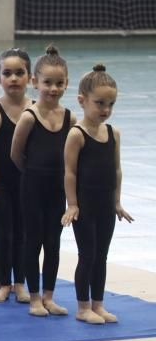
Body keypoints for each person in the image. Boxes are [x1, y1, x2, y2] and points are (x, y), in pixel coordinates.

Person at [62, 64, 132, 324]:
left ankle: (98, 304)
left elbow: (116, 170)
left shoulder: (113, 133)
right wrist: (72, 204)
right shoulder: (76, 134)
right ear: (82, 100)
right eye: (99, 103)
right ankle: (82, 307)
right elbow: (69, 172)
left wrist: (117, 202)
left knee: (101, 255)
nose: (105, 110)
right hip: (85, 206)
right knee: (87, 254)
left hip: (105, 205)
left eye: (110, 104)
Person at [11, 45, 75, 318]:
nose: (53, 89)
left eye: (59, 84)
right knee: (33, 240)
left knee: (54, 241)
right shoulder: (29, 117)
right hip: (32, 186)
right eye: (48, 83)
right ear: (35, 82)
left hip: (57, 189)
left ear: (67, 84)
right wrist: (32, 173)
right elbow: (16, 153)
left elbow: (73, 158)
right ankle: (34, 297)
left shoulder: (69, 117)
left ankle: (49, 295)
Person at [0, 48, 33, 304]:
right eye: (7, 73)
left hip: (26, 183)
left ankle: (20, 282)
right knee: (3, 233)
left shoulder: (35, 110)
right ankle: (3, 282)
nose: (13, 78)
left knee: (23, 233)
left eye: (19, 73)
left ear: (30, 77)